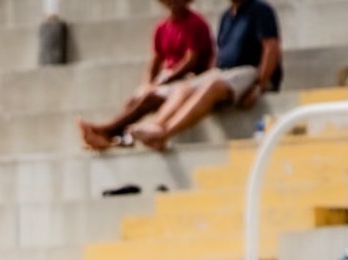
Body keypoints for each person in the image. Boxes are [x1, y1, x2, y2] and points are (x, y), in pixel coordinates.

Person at [128, 0, 282, 153]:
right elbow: (220, 53)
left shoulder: (261, 10)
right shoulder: (227, 16)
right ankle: (156, 125)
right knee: (184, 87)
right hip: (224, 71)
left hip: (249, 71)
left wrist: (259, 85)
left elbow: (271, 48)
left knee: (212, 85)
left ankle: (165, 134)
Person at [78, 0, 216, 149]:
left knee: (149, 98)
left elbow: (191, 61)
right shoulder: (162, 27)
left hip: (188, 79)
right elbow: (155, 62)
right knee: (136, 99)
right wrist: (148, 84)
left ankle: (107, 130)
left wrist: (162, 82)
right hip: (166, 78)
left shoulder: (195, 23)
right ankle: (118, 136)